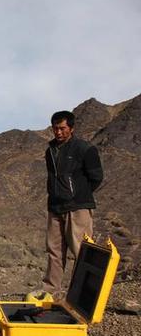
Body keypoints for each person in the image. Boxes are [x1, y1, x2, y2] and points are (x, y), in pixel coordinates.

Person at [37, 110, 103, 299]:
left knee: (81, 251)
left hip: (78, 208)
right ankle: (51, 291)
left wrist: (78, 195)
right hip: (55, 207)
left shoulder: (84, 148)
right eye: (55, 128)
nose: (58, 132)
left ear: (71, 128)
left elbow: (96, 177)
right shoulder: (50, 151)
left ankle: (84, 294)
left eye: (62, 128)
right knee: (54, 251)